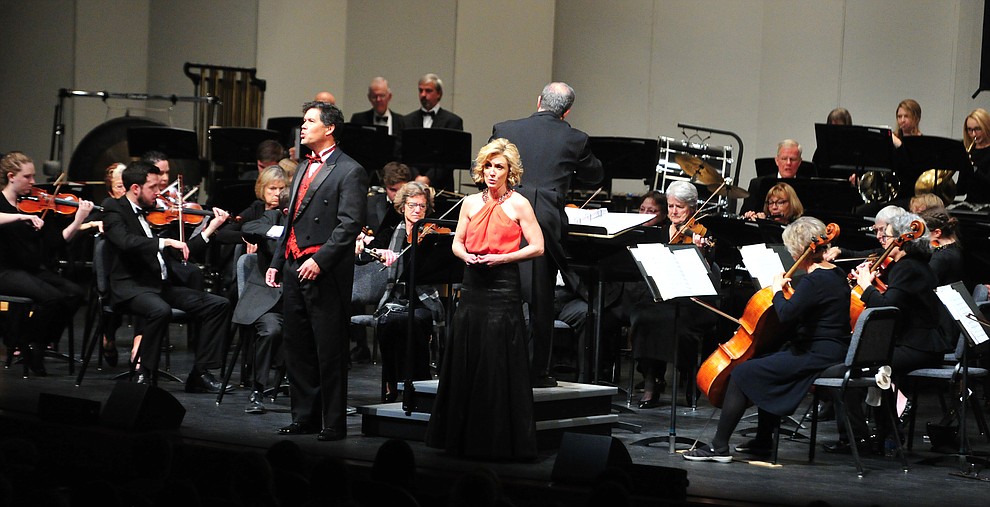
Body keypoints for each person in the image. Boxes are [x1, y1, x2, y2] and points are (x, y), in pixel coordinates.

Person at [683, 216, 851, 462]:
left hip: (817, 355)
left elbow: (785, 314)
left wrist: (776, 290)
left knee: (742, 374)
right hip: (833, 350)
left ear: (797, 251)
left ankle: (718, 447)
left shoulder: (813, 281)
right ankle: (763, 441)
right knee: (764, 360)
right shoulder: (835, 273)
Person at [425, 138, 544, 460]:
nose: (493, 172)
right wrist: (466, 256)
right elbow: (457, 242)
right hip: (473, 284)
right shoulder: (469, 203)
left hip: (503, 286)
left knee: (496, 360)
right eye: (489, 166)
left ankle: (497, 440)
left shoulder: (519, 204)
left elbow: (538, 246)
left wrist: (502, 259)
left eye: (499, 167)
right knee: (468, 355)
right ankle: (461, 437)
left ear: (510, 172)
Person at [265, 101, 368, 441]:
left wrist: (319, 260)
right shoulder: (302, 168)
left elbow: (348, 225)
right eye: (303, 120)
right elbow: (290, 219)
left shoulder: (349, 170)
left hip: (324, 271)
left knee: (329, 349)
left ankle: (333, 422)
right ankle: (304, 417)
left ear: (330, 128)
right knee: (298, 346)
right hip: (295, 265)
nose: (303, 126)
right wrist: (277, 262)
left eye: (310, 121)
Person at [491, 81, 604, 387]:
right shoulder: (575, 138)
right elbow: (595, 175)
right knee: (540, 299)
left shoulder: (505, 129)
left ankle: (495, 365)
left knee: (501, 292)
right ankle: (536, 372)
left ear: (538, 100)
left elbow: (486, 167)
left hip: (503, 215)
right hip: (545, 220)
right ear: (566, 111)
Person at [100, 160, 232, 390]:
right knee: (159, 310)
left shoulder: (155, 213)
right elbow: (125, 242)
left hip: (159, 286)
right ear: (135, 189)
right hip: (131, 286)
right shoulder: (113, 208)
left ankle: (200, 374)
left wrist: (211, 228)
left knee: (218, 305)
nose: (159, 192)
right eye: (153, 187)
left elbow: (183, 251)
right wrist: (163, 241)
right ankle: (145, 373)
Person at [830, 212, 948, 453]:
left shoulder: (907, 268)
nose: (883, 239)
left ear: (903, 240)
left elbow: (887, 309)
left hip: (918, 346)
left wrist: (865, 286)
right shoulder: (912, 266)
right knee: (869, 368)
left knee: (846, 372)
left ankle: (862, 439)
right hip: (915, 344)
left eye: (888, 235)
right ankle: (887, 435)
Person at [0, 151, 94, 375]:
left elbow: (55, 242)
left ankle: (37, 344)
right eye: (27, 177)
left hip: (31, 270)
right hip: (5, 271)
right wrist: (22, 217)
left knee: (75, 293)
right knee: (52, 298)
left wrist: (79, 219)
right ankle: (26, 343)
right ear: (11, 176)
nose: (33, 182)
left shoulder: (35, 204)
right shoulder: (5, 204)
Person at [631, 181, 717, 409]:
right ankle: (651, 380)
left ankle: (688, 374)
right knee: (643, 319)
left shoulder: (703, 234)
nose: (674, 212)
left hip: (693, 300)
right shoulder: (658, 232)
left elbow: (707, 275)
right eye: (670, 206)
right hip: (662, 295)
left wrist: (702, 253)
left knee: (679, 325)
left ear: (693, 208)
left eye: (680, 207)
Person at [359, 181, 444, 402]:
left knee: (415, 322)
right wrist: (377, 251)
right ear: (402, 207)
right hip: (395, 300)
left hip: (423, 302)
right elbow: (366, 254)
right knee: (388, 323)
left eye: (422, 207)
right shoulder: (390, 232)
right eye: (413, 205)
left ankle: (418, 383)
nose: (417, 210)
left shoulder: (432, 235)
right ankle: (391, 382)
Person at [235, 188, 289, 414]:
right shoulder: (274, 217)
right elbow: (248, 228)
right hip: (269, 301)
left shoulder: (315, 225)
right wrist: (281, 231)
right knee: (271, 331)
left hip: (300, 301)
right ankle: (257, 389)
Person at [740, 140, 804, 215]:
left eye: (792, 159)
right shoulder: (757, 184)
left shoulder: (807, 186)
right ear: (777, 161)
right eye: (784, 159)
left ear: (799, 162)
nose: (788, 163)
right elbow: (744, 214)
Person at [957, 108, 990, 204]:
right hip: (971, 204)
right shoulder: (969, 151)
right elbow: (962, 189)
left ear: (986, 127)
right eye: (970, 130)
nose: (973, 134)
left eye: (978, 129)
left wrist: (973, 168)